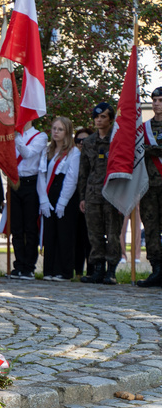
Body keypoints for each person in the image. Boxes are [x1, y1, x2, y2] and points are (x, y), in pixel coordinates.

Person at [78, 102, 122, 284]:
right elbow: (83, 172)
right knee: (94, 234)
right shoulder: (88, 143)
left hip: (113, 194)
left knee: (112, 234)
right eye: (96, 117)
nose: (99, 120)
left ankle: (111, 271)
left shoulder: (119, 140)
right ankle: (97, 269)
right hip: (93, 194)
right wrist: (82, 197)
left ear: (111, 119)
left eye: (103, 116)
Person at [37, 116, 80, 281]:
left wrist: (62, 202)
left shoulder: (73, 152)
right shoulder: (47, 150)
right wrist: (43, 199)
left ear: (67, 132)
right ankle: (49, 270)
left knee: (64, 234)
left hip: (66, 197)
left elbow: (71, 179)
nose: (56, 132)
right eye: (54, 128)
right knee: (50, 233)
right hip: (48, 196)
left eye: (60, 129)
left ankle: (64, 271)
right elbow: (41, 175)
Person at [10, 120, 48, 279]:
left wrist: (16, 137)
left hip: (31, 183)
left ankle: (29, 267)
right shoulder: (12, 136)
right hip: (15, 182)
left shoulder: (40, 136)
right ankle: (18, 264)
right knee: (16, 228)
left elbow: (27, 153)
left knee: (30, 227)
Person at [139, 86, 162, 287]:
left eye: (160, 100)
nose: (156, 103)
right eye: (154, 100)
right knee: (151, 228)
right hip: (149, 186)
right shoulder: (144, 128)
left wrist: (152, 149)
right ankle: (156, 269)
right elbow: (136, 150)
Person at [73, 127, 93, 277]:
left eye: (85, 140)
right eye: (78, 140)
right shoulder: (72, 157)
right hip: (74, 202)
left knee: (90, 239)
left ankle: (92, 271)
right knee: (77, 238)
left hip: (91, 201)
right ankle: (78, 271)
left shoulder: (93, 158)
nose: (81, 143)